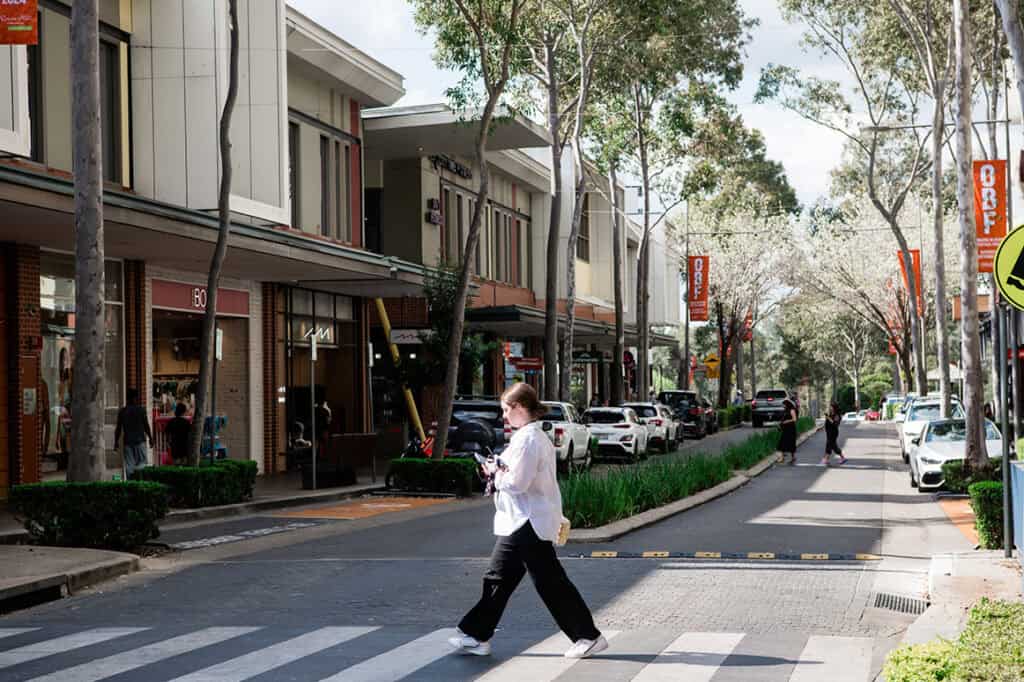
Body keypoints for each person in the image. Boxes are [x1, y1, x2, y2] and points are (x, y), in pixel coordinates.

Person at [449, 382, 607, 659]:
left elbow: (517, 482)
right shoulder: (530, 436)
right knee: (500, 578)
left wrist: (493, 472)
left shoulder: (529, 439)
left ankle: (587, 635)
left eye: (505, 410)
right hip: (523, 521)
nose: (503, 417)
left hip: (528, 522)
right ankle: (476, 634)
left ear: (520, 408)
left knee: (546, 582)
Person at [115, 388, 153, 479]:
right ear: (135, 398)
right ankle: (139, 480)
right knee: (142, 463)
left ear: (127, 398)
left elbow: (118, 428)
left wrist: (116, 442)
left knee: (129, 467)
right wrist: (150, 438)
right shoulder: (141, 410)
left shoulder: (122, 412)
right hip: (140, 441)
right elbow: (146, 426)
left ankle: (131, 483)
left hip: (128, 442)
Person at [821, 402, 847, 466]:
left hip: (833, 432)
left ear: (834, 408)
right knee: (833, 446)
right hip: (829, 432)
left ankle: (826, 459)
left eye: (831, 407)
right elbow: (827, 423)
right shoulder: (830, 414)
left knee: (829, 444)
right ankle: (842, 457)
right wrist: (822, 428)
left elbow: (835, 423)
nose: (830, 408)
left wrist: (828, 417)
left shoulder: (837, 415)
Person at [777, 397, 798, 466]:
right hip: (785, 429)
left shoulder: (792, 410)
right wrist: (780, 424)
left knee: (791, 443)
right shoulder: (785, 411)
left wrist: (787, 421)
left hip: (791, 429)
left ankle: (793, 457)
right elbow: (783, 419)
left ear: (788, 404)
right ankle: (782, 458)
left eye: (784, 404)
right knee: (782, 443)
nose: (784, 406)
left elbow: (794, 419)